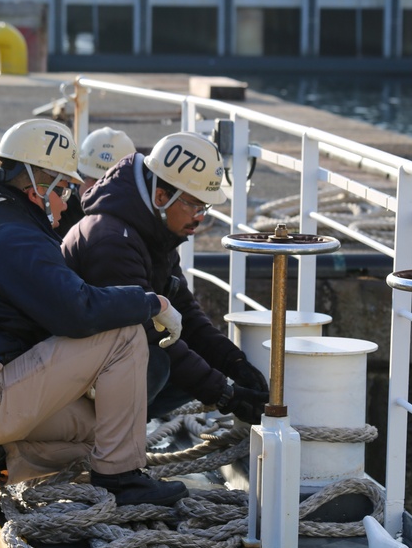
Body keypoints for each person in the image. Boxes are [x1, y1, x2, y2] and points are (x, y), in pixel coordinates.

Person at [0, 118, 189, 519]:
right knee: (125, 334)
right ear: (36, 188)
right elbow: (78, 312)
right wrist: (155, 304)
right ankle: (122, 479)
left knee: (106, 435)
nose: (67, 201)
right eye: (61, 189)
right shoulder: (13, 238)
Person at [62, 131, 269, 424]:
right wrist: (225, 395)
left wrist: (233, 363)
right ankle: (101, 442)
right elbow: (149, 332)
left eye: (205, 208)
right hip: (70, 373)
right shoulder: (111, 241)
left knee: (187, 363)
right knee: (156, 364)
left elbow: (185, 311)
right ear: (161, 196)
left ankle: (107, 432)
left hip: (95, 360)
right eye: (195, 205)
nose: (200, 217)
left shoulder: (152, 231)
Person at [55, 126, 134, 238]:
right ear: (78, 178)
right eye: (94, 180)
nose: (101, 190)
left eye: (111, 183)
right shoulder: (59, 213)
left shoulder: (138, 221)